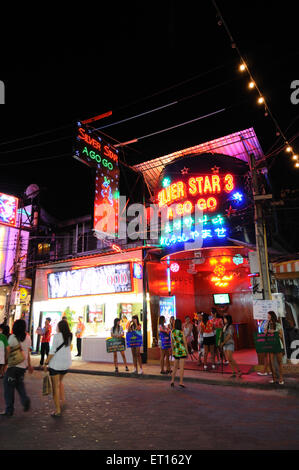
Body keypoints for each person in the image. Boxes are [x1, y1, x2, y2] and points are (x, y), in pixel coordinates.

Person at [1, 319, 33, 417]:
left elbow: (8, 352)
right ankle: (25, 399)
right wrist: (29, 365)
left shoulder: (12, 337)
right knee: (19, 384)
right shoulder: (28, 337)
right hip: (22, 367)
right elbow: (27, 353)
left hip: (13, 366)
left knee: (8, 386)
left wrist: (5, 364)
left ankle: (9, 409)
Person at [44, 320, 72, 417]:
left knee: (55, 387)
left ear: (60, 327)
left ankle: (57, 410)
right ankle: (63, 400)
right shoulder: (69, 336)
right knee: (59, 382)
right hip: (66, 365)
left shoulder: (56, 336)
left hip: (55, 365)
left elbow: (52, 352)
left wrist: (46, 362)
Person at [265, 311, 284, 385]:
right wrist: (266, 331)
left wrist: (274, 332)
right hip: (270, 345)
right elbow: (263, 333)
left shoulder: (278, 325)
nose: (268, 317)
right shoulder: (267, 325)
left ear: (272, 316)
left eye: (269, 315)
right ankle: (274, 378)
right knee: (271, 362)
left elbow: (281, 335)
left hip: (278, 345)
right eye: (267, 315)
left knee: (279, 362)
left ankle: (281, 378)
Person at [170, 319, 188, 388]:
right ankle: (180, 382)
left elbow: (172, 343)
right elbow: (185, 343)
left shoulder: (172, 332)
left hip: (176, 351)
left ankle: (172, 380)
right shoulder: (181, 332)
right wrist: (187, 351)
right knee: (181, 367)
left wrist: (173, 350)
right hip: (182, 351)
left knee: (175, 367)